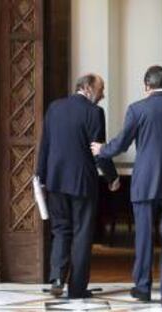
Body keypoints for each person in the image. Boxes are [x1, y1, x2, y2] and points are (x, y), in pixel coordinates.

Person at [91, 65, 162, 308]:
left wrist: (102, 149)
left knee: (142, 237)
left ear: (146, 86)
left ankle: (142, 289)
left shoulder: (137, 109)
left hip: (145, 183)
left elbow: (122, 143)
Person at [36, 74, 120, 299]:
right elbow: (98, 150)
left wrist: (40, 176)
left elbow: (44, 144)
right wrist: (112, 177)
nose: (103, 95)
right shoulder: (94, 113)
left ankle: (56, 277)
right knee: (82, 234)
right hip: (82, 182)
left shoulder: (54, 108)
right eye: (101, 89)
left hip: (55, 180)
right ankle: (77, 288)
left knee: (61, 230)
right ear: (87, 87)